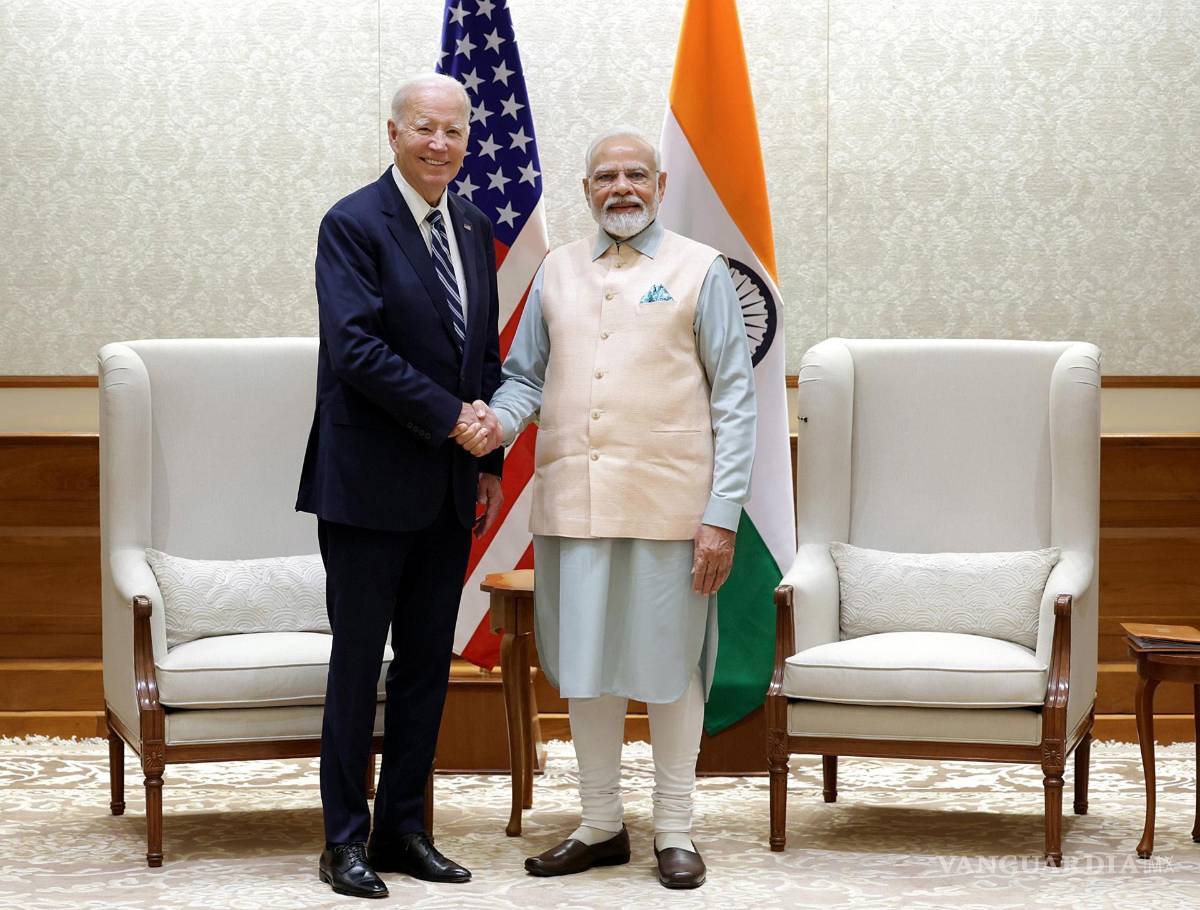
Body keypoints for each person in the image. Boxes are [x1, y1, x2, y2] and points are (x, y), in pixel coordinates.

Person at [463, 128, 756, 890]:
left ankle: (677, 829)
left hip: (672, 510)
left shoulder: (701, 270)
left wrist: (721, 513)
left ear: (659, 184)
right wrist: (495, 424)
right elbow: (523, 378)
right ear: (586, 189)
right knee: (587, 670)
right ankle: (599, 825)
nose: (620, 188)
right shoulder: (558, 272)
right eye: (604, 177)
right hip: (573, 508)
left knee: (667, 671)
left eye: (635, 175)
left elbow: (735, 396)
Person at [296, 73, 505, 899]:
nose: (440, 145)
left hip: (449, 488)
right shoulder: (352, 223)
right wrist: (454, 418)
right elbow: (356, 350)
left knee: (425, 666)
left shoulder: (473, 222)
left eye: (454, 131)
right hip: (367, 486)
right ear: (393, 133)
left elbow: (479, 353)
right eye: (425, 128)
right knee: (357, 666)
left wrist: (485, 460)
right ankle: (343, 840)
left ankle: (403, 831)